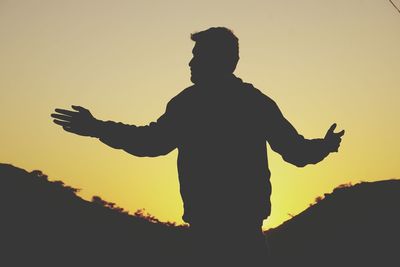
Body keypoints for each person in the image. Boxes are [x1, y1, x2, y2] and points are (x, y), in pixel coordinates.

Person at [51, 27, 344, 266]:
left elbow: (151, 143)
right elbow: (295, 151)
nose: (190, 63)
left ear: (220, 60)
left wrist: (98, 128)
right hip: (234, 233)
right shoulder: (250, 103)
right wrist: (325, 147)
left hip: (220, 234)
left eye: (197, 56)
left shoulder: (193, 103)